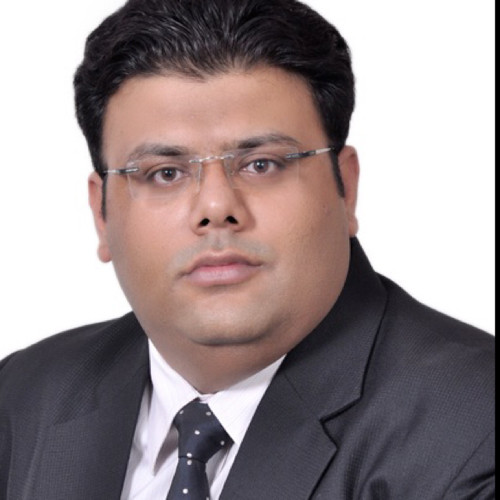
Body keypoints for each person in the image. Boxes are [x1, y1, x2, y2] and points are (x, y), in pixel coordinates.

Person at [0, 0, 494, 498]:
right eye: (165, 173)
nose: (216, 208)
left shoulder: (475, 429)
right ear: (102, 213)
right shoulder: (21, 397)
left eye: (262, 164)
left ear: (345, 187)